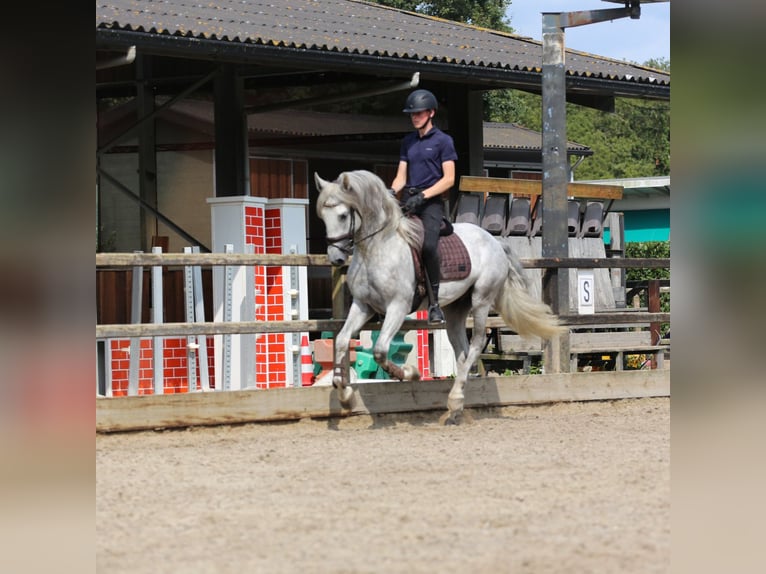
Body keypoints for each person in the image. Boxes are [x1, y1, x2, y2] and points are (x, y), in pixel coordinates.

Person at [390, 89, 457, 325]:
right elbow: (401, 177)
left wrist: (425, 195)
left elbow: (449, 179)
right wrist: (390, 192)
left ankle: (435, 303)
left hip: (431, 203)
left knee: (428, 245)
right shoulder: (408, 142)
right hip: (409, 200)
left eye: (418, 113)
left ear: (431, 113)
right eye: (412, 114)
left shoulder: (443, 141)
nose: (414, 117)